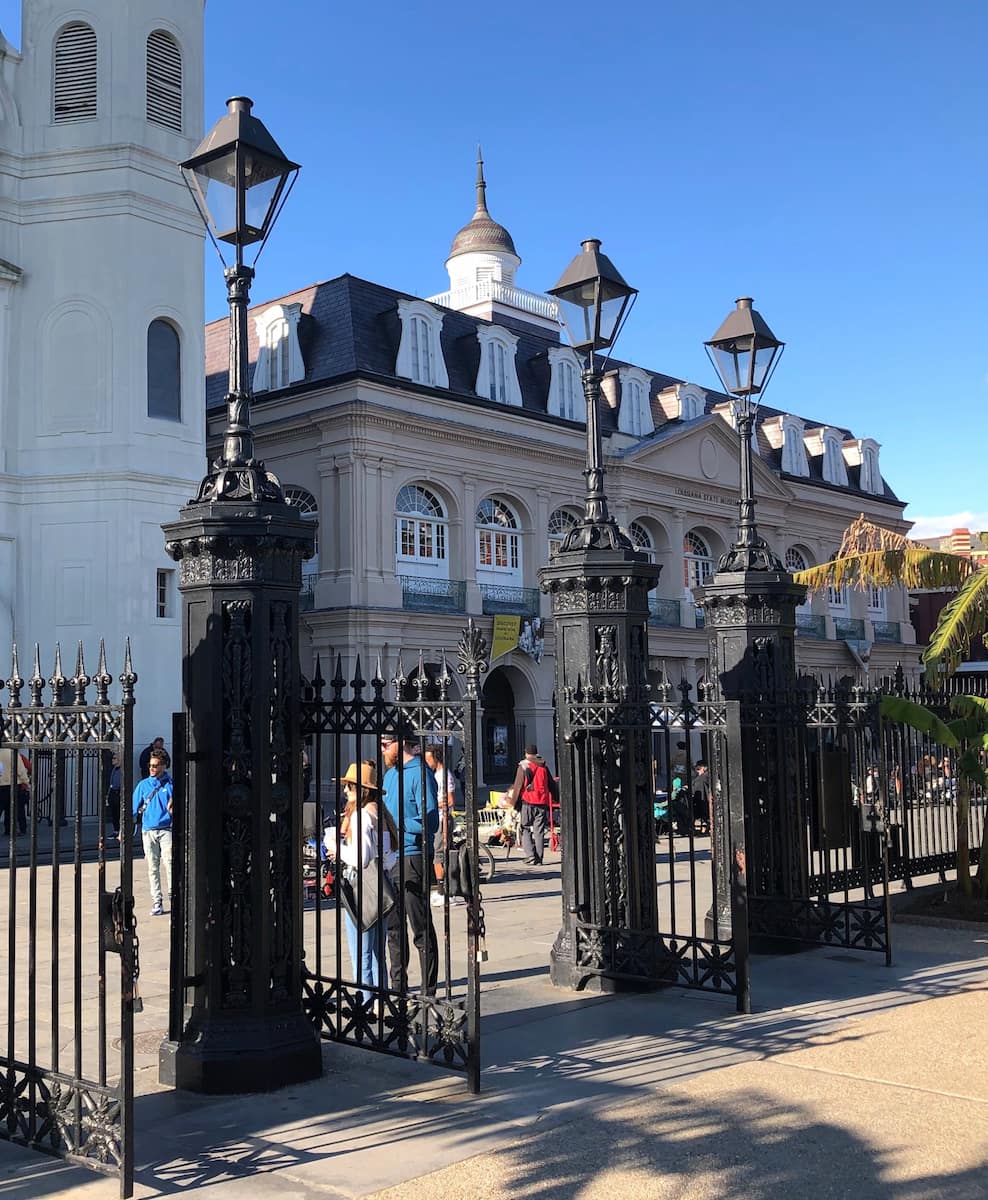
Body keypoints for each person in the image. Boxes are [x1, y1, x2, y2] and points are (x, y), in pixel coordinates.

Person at [323, 761, 397, 1009]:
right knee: (377, 952)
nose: (345, 791)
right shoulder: (382, 814)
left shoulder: (362, 815)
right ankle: (380, 1001)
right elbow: (390, 856)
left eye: (350, 787)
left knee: (361, 952)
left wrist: (336, 847)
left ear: (362, 790)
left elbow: (361, 858)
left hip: (361, 886)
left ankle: (364, 1003)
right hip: (382, 885)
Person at [381, 734, 439, 994]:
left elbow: (431, 820)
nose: (383, 749)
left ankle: (428, 990)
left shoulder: (420, 773)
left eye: (386, 744)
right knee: (394, 926)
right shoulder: (389, 775)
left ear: (401, 742)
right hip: (390, 855)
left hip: (413, 855)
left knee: (420, 924)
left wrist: (398, 824)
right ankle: (398, 986)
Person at [131, 751, 173, 916]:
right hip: (148, 830)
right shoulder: (143, 785)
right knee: (152, 867)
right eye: (150, 765)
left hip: (166, 829)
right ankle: (157, 900)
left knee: (170, 863)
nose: (152, 768)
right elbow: (133, 807)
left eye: (155, 766)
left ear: (163, 766)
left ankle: (172, 896)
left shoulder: (171, 784)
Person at [425, 744, 466, 909]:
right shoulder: (437, 774)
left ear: (436, 758)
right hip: (438, 818)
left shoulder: (444, 775)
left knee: (439, 855)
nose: (427, 762)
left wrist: (434, 804)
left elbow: (450, 800)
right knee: (439, 854)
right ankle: (443, 890)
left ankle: (444, 891)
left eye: (429, 759)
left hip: (442, 818)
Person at [504, 744, 557, 866]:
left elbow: (518, 786)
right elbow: (551, 784)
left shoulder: (524, 766)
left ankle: (530, 855)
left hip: (528, 801)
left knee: (525, 827)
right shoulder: (544, 766)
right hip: (542, 802)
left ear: (526, 753)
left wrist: (512, 802)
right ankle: (539, 858)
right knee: (539, 831)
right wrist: (556, 798)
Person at [106, 751, 122, 835]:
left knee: (119, 812)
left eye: (114, 758)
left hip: (118, 792)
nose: (112, 760)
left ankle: (121, 830)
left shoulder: (121, 770)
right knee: (114, 813)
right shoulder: (114, 769)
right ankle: (116, 830)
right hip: (113, 792)